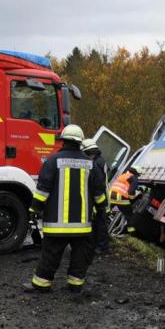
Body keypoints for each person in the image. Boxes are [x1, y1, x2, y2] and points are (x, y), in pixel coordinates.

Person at [23, 124, 107, 293]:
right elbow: (99, 194)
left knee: (50, 255)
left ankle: (41, 284)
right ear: (80, 142)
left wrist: (34, 210)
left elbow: (42, 191)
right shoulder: (91, 165)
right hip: (83, 227)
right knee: (80, 256)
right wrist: (102, 210)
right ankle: (75, 285)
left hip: (56, 225)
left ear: (63, 140)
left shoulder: (53, 161)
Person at [82, 138, 111, 254]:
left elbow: (98, 184)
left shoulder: (96, 163)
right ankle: (99, 246)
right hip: (102, 197)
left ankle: (102, 247)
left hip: (100, 199)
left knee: (100, 224)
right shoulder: (100, 160)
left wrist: (97, 203)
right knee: (99, 223)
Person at [108, 166, 145, 235]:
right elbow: (131, 192)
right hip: (120, 198)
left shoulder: (124, 175)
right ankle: (130, 232)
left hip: (111, 196)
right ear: (137, 173)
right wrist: (136, 197)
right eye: (139, 175)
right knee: (129, 215)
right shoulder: (134, 178)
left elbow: (125, 185)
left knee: (107, 211)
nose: (138, 176)